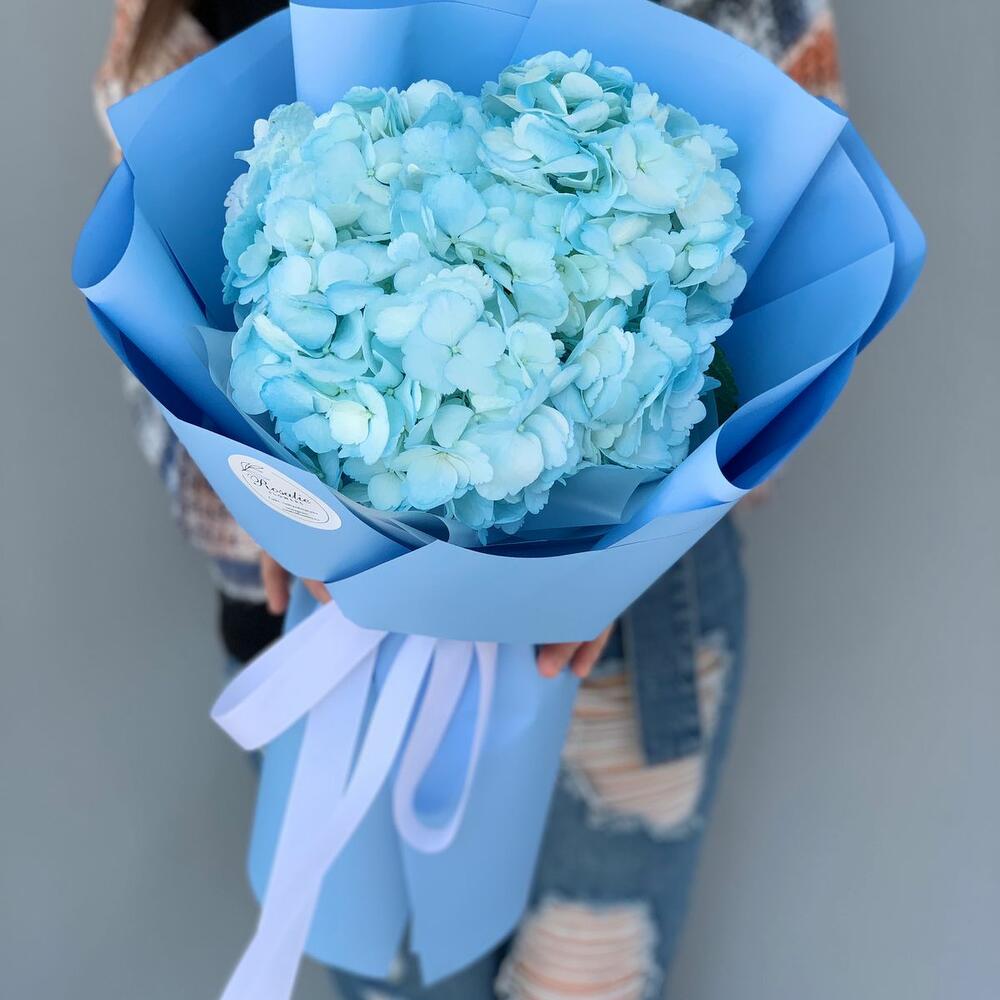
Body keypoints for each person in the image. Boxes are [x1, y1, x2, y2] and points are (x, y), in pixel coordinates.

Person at [95, 3, 842, 996]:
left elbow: (785, 112)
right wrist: (273, 476)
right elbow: (155, 88)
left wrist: (626, 520)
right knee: (386, 964)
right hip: (314, 599)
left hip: (608, 617)